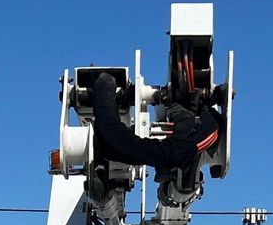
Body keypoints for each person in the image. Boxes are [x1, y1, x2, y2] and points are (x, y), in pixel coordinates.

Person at [92, 72, 220, 180]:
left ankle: (105, 83)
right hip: (174, 151)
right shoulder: (201, 130)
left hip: (176, 151)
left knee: (115, 139)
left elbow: (187, 120)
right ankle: (104, 83)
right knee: (115, 142)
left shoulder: (193, 133)